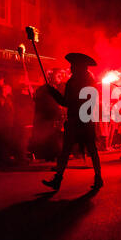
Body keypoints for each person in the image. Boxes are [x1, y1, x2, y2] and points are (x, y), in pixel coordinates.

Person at [42, 53, 103, 191]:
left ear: (79, 67)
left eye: (73, 65)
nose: (71, 68)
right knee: (91, 149)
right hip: (86, 119)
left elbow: (67, 102)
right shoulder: (89, 81)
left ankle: (58, 179)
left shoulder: (74, 82)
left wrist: (52, 92)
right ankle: (98, 177)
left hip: (77, 119)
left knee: (67, 150)